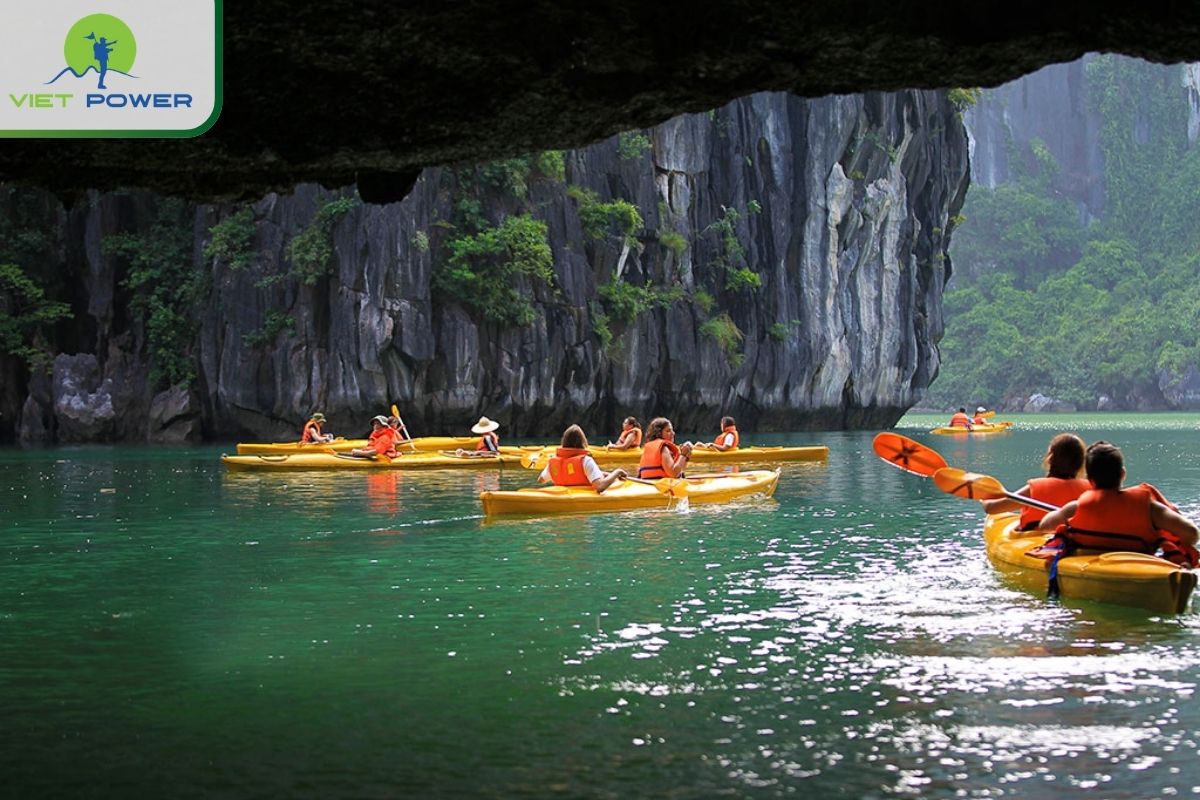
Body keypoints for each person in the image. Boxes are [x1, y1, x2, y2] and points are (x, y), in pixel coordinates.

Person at [1037, 441, 1199, 565]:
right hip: (1140, 565)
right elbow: (1192, 534)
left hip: (1092, 565)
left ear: (1090, 480)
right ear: (1122, 474)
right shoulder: (1150, 509)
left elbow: (1045, 525)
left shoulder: (1076, 507)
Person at [981, 433, 1091, 530]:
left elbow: (991, 508)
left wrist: (984, 496)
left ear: (1050, 459)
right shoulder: (1090, 489)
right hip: (1075, 541)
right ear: (1081, 463)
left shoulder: (1035, 488)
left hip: (1034, 540)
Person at [538, 424, 627, 492]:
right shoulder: (586, 461)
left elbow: (541, 480)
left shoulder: (553, 461)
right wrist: (617, 472)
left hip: (562, 495)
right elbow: (600, 487)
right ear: (582, 441)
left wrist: (599, 473)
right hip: (581, 500)